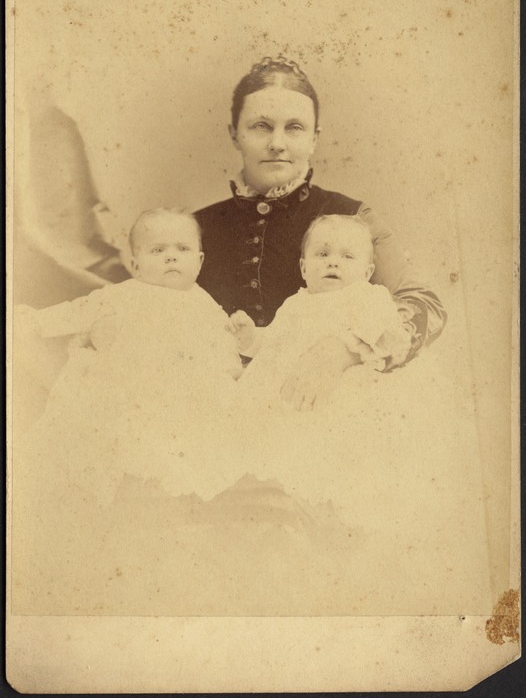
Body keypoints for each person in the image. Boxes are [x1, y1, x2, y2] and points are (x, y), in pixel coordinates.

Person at [194, 55, 446, 410]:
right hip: (217, 404)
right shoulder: (192, 229)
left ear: (314, 138)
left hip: (325, 404)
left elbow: (424, 305)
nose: (277, 143)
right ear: (235, 133)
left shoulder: (354, 216)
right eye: (261, 126)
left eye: (294, 128)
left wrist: (341, 350)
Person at [15, 208, 242, 503]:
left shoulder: (204, 303)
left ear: (199, 261)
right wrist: (34, 321)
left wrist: (232, 370)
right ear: (136, 264)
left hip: (182, 391)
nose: (171, 257)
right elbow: (78, 310)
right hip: (128, 385)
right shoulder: (124, 295)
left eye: (182, 249)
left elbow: (220, 342)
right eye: (157, 250)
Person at [229, 214, 411, 409]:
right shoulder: (294, 303)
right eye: (323, 254)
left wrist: (349, 345)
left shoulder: (365, 297)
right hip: (281, 392)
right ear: (304, 268)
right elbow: (274, 343)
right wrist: (251, 338)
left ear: (367, 273)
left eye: (347, 256)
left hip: (335, 392)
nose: (333, 262)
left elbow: (390, 334)